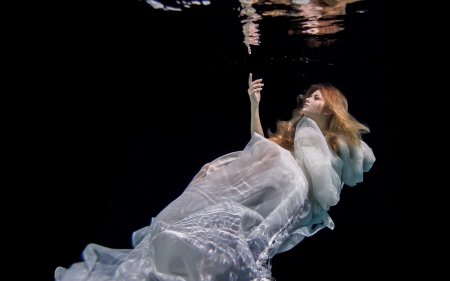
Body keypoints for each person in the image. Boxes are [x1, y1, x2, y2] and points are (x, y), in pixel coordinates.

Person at [55, 73, 375, 281]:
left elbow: (345, 171)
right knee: (207, 226)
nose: (307, 97)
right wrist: (254, 105)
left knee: (235, 239)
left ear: (331, 107)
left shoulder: (335, 146)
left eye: (317, 97)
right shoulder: (298, 132)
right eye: (310, 93)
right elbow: (260, 146)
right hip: (267, 188)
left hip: (285, 198)